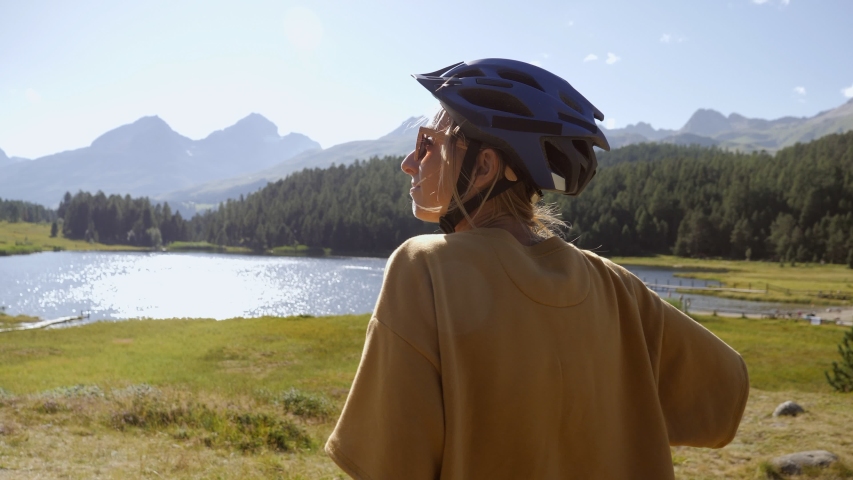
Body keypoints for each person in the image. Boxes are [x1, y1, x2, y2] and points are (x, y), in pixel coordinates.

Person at [325, 59, 749, 479]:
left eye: (427, 144)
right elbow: (726, 395)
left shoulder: (424, 267)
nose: (409, 162)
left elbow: (390, 465)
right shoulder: (616, 286)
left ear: (485, 166)